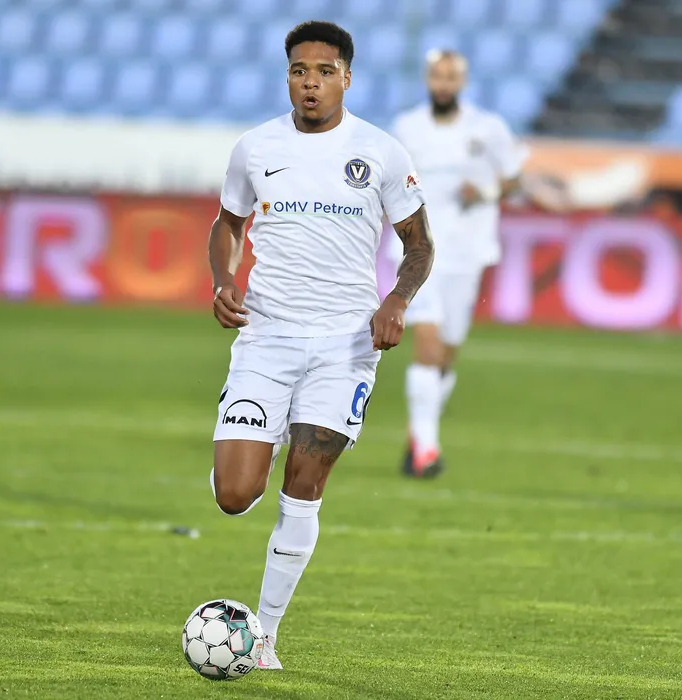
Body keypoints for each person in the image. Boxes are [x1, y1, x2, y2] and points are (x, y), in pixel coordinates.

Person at [207, 21, 433, 670]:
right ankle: (247, 446)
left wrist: (396, 301)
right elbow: (226, 224)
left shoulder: (380, 152)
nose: (310, 83)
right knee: (234, 496)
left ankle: (266, 637)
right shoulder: (255, 148)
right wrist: (223, 280)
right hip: (266, 336)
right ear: (288, 77)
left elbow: (420, 246)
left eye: (324, 72)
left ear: (346, 78)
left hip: (345, 345)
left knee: (305, 482)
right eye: (299, 71)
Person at [388, 50, 528, 478]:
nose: (443, 84)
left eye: (451, 77)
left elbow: (514, 179)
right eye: (437, 76)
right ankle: (427, 452)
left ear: (462, 82)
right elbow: (387, 182)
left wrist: (485, 193)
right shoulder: (406, 128)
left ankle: (417, 437)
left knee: (447, 351)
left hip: (468, 251)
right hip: (418, 250)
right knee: (427, 342)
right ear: (427, 79)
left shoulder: (488, 128)